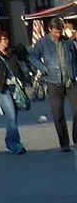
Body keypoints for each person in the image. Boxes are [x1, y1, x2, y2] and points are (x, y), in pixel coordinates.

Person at [32, 18, 77, 153]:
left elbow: (75, 57)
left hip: (70, 80)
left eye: (60, 32)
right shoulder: (43, 43)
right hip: (53, 81)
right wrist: (43, 68)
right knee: (58, 114)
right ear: (50, 29)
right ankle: (64, 143)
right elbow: (33, 57)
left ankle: (76, 139)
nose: (58, 35)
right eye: (56, 32)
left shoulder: (68, 42)